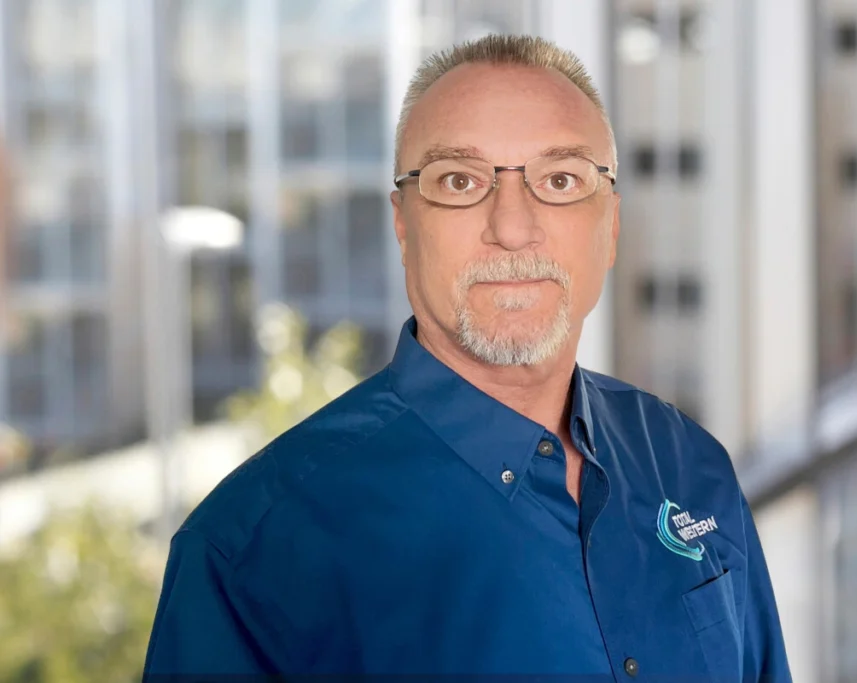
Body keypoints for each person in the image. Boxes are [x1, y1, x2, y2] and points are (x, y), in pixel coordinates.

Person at [143, 33, 792, 682]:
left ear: (611, 225)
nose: (512, 227)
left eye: (560, 179)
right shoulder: (256, 552)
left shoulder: (691, 465)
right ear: (403, 223)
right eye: (460, 180)